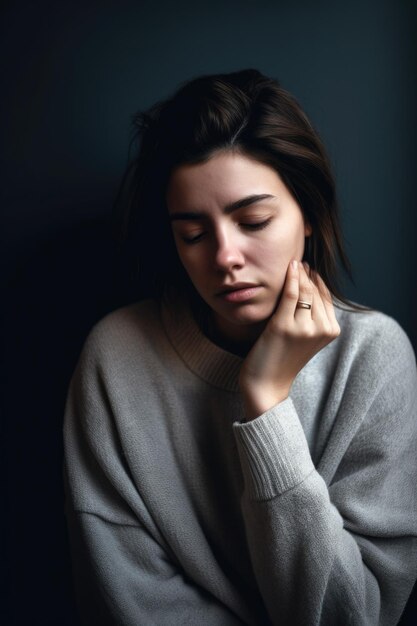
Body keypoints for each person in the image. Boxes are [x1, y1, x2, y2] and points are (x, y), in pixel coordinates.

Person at [63, 69, 417, 625]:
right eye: (194, 235)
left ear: (308, 217)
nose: (224, 256)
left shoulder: (375, 359)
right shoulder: (116, 356)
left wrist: (266, 400)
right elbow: (125, 598)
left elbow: (354, 615)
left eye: (253, 220)